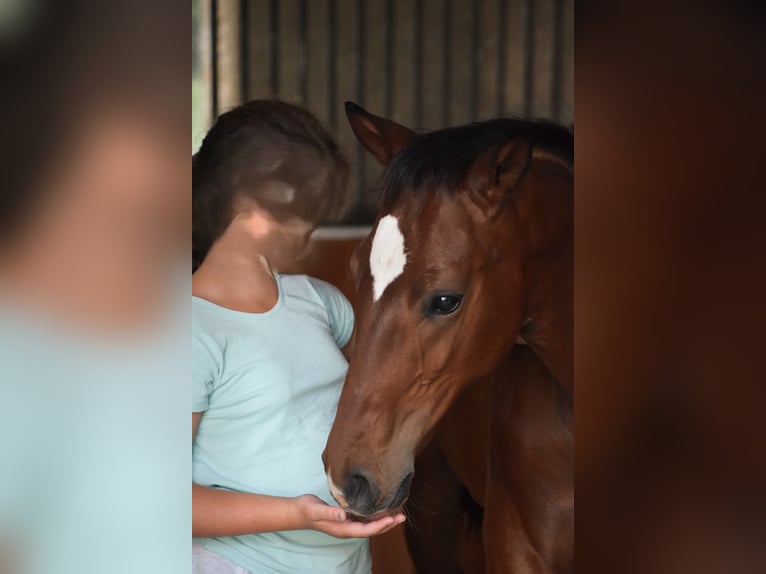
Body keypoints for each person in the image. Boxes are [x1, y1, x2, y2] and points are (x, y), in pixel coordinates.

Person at [192, 100, 404, 574]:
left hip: (346, 563)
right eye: (309, 208)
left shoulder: (319, 301)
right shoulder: (187, 334)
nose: (315, 224)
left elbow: (376, 387)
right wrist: (297, 514)